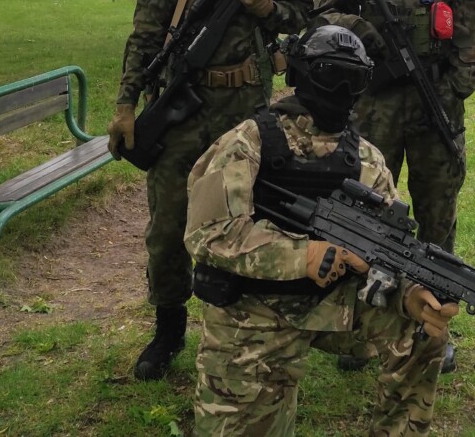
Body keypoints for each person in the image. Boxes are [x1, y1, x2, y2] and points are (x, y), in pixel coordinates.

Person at [108, 0, 314, 381]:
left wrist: (268, 8)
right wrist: (126, 103)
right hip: (182, 107)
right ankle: (168, 328)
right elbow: (147, 27)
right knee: (168, 225)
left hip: (246, 111)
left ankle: (245, 324)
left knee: (248, 218)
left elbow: (305, 18)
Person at [184, 25, 460, 436]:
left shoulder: (367, 159)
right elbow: (207, 233)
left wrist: (409, 294)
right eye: (331, 74)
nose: (342, 89)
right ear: (300, 73)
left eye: (355, 79)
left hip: (332, 302)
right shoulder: (248, 142)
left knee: (423, 330)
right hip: (253, 310)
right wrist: (303, 255)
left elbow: (388, 248)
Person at [313, 0, 475, 372]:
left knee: (437, 217)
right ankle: (362, 327)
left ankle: (434, 327)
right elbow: (323, 16)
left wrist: (451, 93)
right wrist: (365, 35)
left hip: (436, 104)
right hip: (375, 104)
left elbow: (474, 38)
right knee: (365, 213)